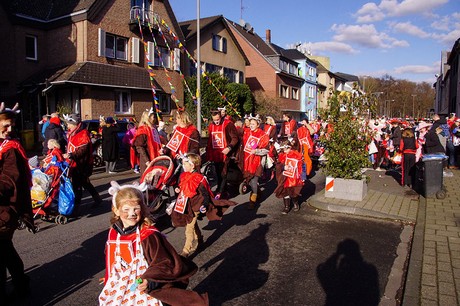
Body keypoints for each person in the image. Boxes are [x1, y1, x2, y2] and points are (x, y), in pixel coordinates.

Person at [99, 181, 208, 305]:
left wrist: (150, 280)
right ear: (116, 211)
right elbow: (112, 257)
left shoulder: (148, 235)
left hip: (143, 285)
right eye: (126, 209)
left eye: (136, 209)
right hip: (120, 285)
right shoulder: (113, 233)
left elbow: (164, 261)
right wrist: (109, 276)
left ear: (143, 209)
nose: (132, 213)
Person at [0, 102, 35, 302]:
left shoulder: (10, 149)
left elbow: (9, 179)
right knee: (6, 250)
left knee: (2, 251)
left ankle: (18, 287)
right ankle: (22, 283)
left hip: (5, 210)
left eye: (12, 125)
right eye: (6, 125)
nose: (10, 129)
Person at [171, 153, 236, 257]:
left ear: (192, 165)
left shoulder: (199, 178)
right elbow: (183, 188)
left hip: (196, 205)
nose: (183, 166)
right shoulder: (184, 175)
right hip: (187, 205)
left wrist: (205, 205)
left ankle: (186, 251)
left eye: (185, 164)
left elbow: (205, 194)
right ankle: (199, 239)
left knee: (189, 228)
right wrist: (178, 189)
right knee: (192, 223)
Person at [63, 113, 102, 213]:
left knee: (77, 185)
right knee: (85, 183)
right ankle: (97, 199)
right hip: (76, 164)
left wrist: (72, 155)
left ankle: (76, 207)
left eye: (69, 124)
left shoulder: (83, 134)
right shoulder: (73, 133)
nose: (68, 126)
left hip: (82, 164)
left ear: (75, 124)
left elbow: (83, 150)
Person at [206, 108, 239, 199]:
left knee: (223, 172)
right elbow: (210, 139)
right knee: (217, 172)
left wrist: (229, 147)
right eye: (214, 120)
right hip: (215, 153)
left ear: (221, 116)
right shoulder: (211, 125)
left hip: (226, 153)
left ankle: (220, 191)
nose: (216, 122)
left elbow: (235, 138)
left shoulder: (228, 124)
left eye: (218, 119)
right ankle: (223, 190)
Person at [241, 116, 269, 209]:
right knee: (249, 180)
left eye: (253, 124)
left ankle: (252, 202)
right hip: (247, 160)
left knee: (254, 181)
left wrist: (256, 151)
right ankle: (258, 192)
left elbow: (266, 150)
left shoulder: (263, 135)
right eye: (250, 124)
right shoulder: (247, 132)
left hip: (257, 162)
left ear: (258, 125)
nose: (251, 126)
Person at [274, 139, 303, 214]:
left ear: (290, 147)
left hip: (293, 177)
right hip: (284, 177)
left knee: (293, 192)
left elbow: (302, 166)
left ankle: (295, 203)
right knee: (284, 191)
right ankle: (286, 206)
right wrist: (283, 166)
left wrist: (303, 177)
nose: (284, 151)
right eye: (283, 149)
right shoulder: (282, 155)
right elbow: (278, 166)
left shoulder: (296, 155)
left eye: (285, 149)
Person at [133, 108, 161, 175]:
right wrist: (147, 160)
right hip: (147, 159)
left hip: (155, 158)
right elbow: (139, 147)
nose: (154, 119)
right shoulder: (143, 130)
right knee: (146, 179)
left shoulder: (153, 129)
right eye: (153, 117)